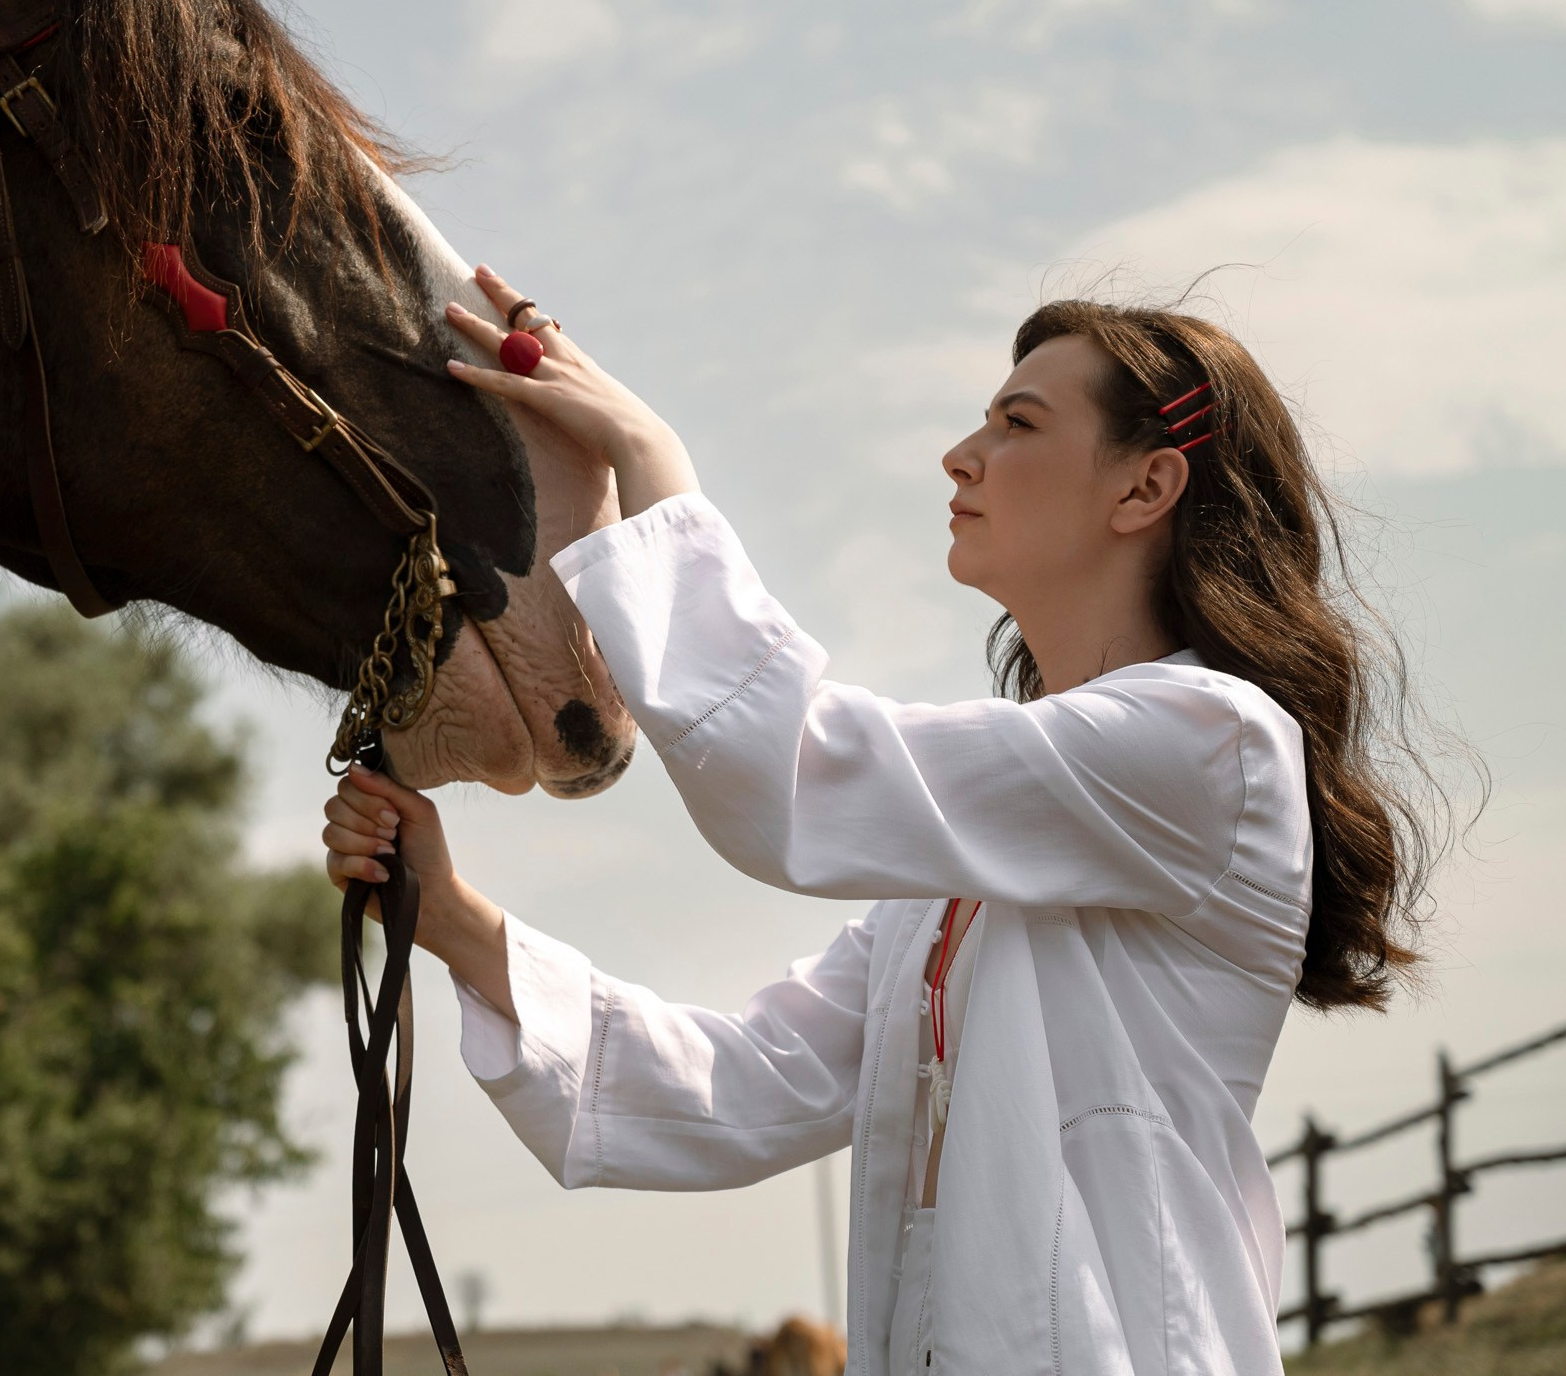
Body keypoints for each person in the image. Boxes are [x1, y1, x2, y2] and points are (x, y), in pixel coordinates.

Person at [321, 270, 1444, 1376]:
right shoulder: (969, 874)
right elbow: (746, 1084)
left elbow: (792, 772)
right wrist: (453, 919)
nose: (961, 454)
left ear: (1145, 489)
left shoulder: (1209, 742)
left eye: (1017, 422)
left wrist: (648, 466)